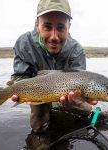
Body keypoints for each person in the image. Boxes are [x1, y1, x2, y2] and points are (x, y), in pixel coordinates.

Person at [11, 0, 97, 134]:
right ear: (37, 25)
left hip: (68, 93)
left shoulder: (77, 50)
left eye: (61, 27)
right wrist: (22, 91)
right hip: (37, 91)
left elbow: (82, 81)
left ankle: (86, 119)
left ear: (69, 27)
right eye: (47, 26)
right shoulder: (24, 44)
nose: (54, 36)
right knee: (39, 124)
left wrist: (82, 96)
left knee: (86, 109)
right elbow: (20, 76)